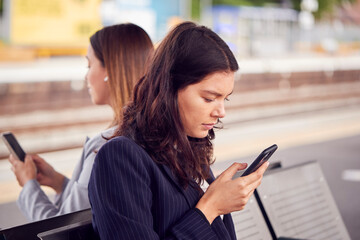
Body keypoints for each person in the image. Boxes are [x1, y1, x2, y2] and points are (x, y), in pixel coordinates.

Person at [89, 21, 269, 239]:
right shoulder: (119, 158)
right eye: (209, 98)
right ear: (168, 87)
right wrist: (211, 207)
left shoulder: (189, 147)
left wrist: (219, 197)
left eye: (225, 98)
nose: (221, 112)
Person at [8, 23, 154, 221]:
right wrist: (58, 181)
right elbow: (98, 204)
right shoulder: (153, 132)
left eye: (89, 65)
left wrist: (28, 185)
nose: (86, 76)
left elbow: (61, 230)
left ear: (110, 69)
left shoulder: (107, 146)